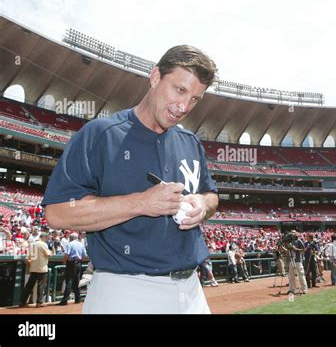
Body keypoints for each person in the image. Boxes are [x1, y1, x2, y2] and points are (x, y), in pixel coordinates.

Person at [42, 45, 219, 314]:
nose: (184, 106)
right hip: (125, 292)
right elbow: (57, 213)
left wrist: (203, 204)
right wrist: (140, 203)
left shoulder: (190, 142)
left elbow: (211, 194)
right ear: (155, 76)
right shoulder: (100, 134)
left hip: (192, 292)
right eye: (179, 90)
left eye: (195, 99)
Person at [19, 232, 52, 308]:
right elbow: (48, 254)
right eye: (46, 238)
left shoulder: (32, 244)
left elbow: (27, 259)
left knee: (29, 285)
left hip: (33, 268)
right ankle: (39, 302)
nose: (47, 239)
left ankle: (22, 302)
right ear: (44, 237)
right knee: (41, 285)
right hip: (42, 268)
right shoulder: (43, 244)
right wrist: (51, 251)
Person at [57, 232, 87, 305]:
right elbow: (85, 256)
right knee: (76, 281)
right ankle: (77, 299)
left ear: (71, 238)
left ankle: (64, 300)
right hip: (78, 263)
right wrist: (80, 261)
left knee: (69, 281)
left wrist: (64, 262)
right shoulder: (81, 244)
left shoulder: (69, 244)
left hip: (71, 263)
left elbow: (66, 254)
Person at [285, 230, 308, 294]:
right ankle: (292, 289)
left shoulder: (299, 241)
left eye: (293, 233)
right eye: (291, 233)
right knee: (291, 276)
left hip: (298, 260)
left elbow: (304, 250)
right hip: (291, 260)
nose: (292, 234)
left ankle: (304, 289)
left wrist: (295, 249)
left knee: (301, 275)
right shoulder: (289, 241)